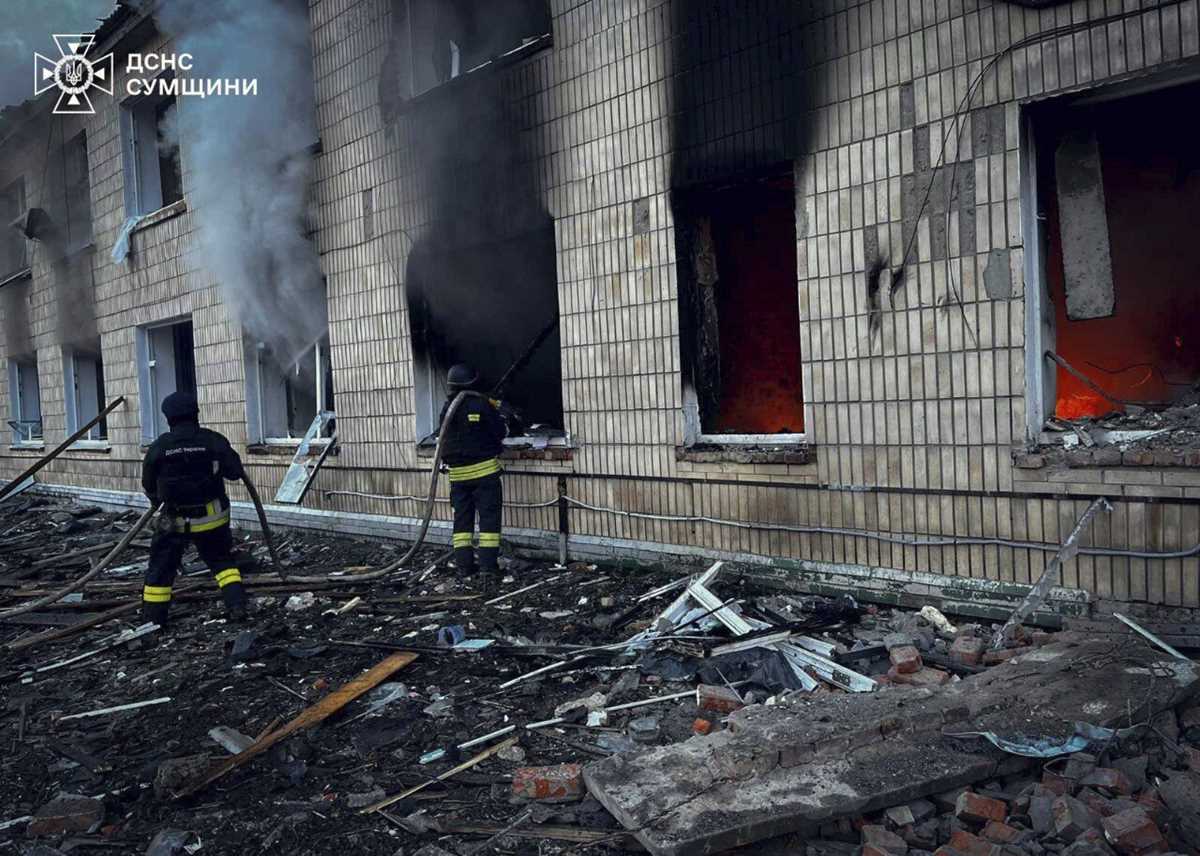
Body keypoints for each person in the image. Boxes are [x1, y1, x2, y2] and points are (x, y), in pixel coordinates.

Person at [141, 391, 248, 624]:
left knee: (161, 570)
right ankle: (237, 606)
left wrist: (157, 499)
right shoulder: (213, 440)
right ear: (196, 413)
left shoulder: (160, 446)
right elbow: (235, 472)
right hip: (213, 520)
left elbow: (148, 485)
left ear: (168, 417)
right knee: (222, 563)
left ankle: (153, 621)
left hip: (174, 523)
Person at [437, 364, 517, 577]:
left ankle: (464, 567)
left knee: (462, 523)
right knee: (489, 521)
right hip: (484, 475)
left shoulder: (448, 408)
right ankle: (488, 568)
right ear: (474, 382)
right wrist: (505, 418)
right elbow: (499, 432)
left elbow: (444, 437)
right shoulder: (482, 404)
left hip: (458, 477)